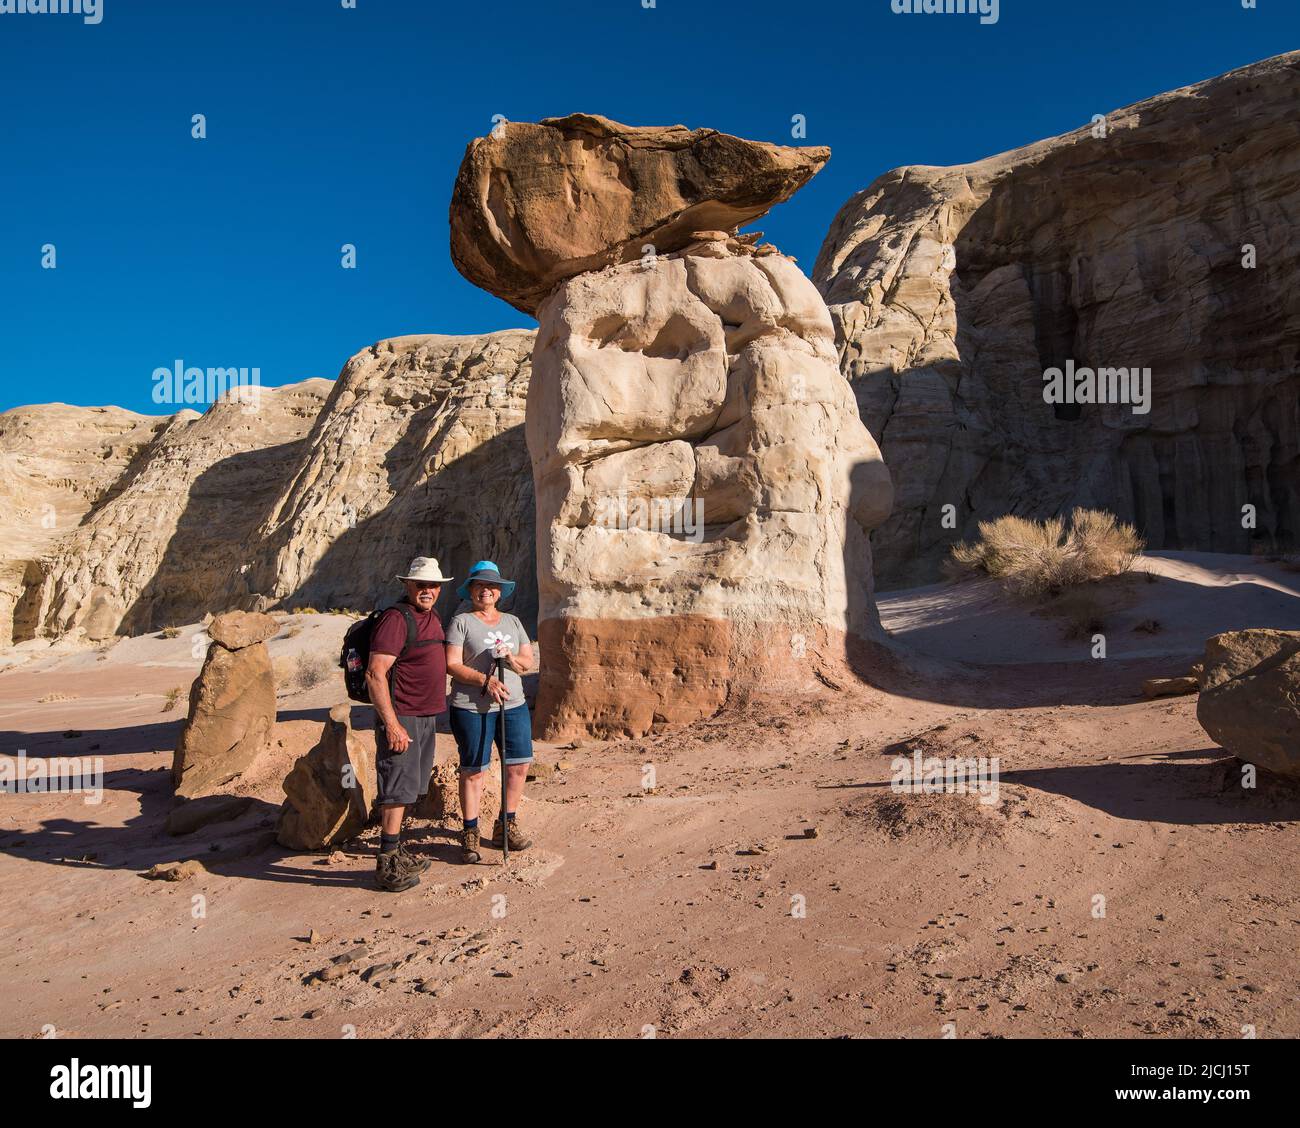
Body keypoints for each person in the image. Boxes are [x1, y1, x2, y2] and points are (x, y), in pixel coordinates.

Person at [365, 556, 452, 892]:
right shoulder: (395, 619)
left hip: (426, 715)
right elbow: (375, 674)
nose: (427, 590)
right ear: (407, 585)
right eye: (420, 585)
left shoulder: (432, 617)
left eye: (432, 585)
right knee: (396, 788)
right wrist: (392, 724)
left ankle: (397, 850)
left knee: (410, 787)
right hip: (402, 716)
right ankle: (386, 863)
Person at [444, 560, 534, 863]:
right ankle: (470, 831)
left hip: (513, 703)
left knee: (518, 765)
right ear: (471, 590)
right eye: (480, 585)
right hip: (471, 706)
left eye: (492, 586)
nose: (486, 590)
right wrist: (486, 679)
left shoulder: (513, 622)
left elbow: (527, 661)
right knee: (474, 770)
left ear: (500, 591)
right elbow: (452, 664)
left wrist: (510, 658)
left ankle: (505, 825)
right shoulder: (461, 622)